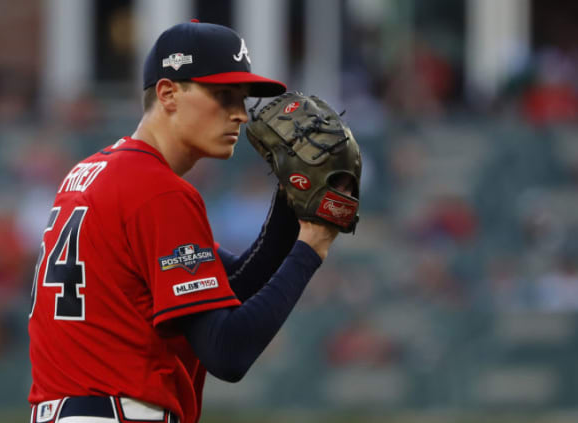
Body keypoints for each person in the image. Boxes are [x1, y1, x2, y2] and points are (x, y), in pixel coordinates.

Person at [28, 21, 347, 423]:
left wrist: (289, 199)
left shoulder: (93, 172)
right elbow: (227, 352)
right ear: (168, 93)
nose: (240, 115)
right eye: (223, 96)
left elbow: (232, 286)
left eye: (242, 98)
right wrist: (313, 246)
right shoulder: (159, 191)